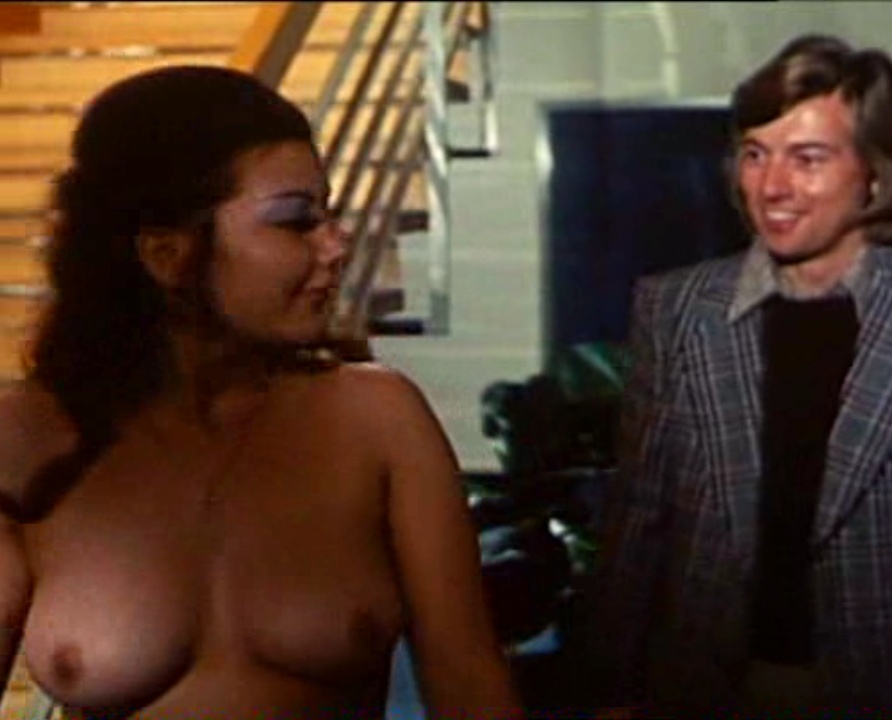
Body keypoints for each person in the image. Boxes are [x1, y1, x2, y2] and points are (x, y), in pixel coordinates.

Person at [0, 65, 523, 719]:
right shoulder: (30, 441)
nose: (337, 246)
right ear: (166, 254)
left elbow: (470, 687)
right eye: (296, 222)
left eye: (330, 215)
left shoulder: (376, 420)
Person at [584, 34, 892, 718]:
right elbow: (638, 513)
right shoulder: (674, 309)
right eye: (756, 154)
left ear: (876, 174)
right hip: (704, 685)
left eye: (807, 158)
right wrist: (612, 689)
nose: (771, 187)